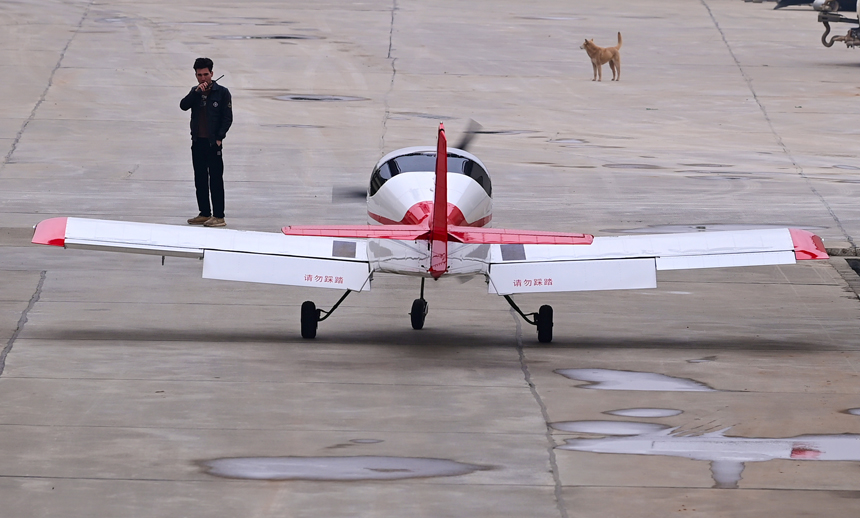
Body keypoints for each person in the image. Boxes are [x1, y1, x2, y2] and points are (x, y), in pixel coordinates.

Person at [180, 57, 233, 227]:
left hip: (213, 143)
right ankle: (204, 213)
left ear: (212, 73)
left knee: (215, 180)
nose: (203, 78)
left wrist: (219, 138)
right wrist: (196, 93)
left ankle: (219, 216)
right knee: (200, 179)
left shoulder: (222, 92)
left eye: (205, 74)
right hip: (198, 142)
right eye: (199, 75)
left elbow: (227, 118)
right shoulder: (195, 92)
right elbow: (183, 105)